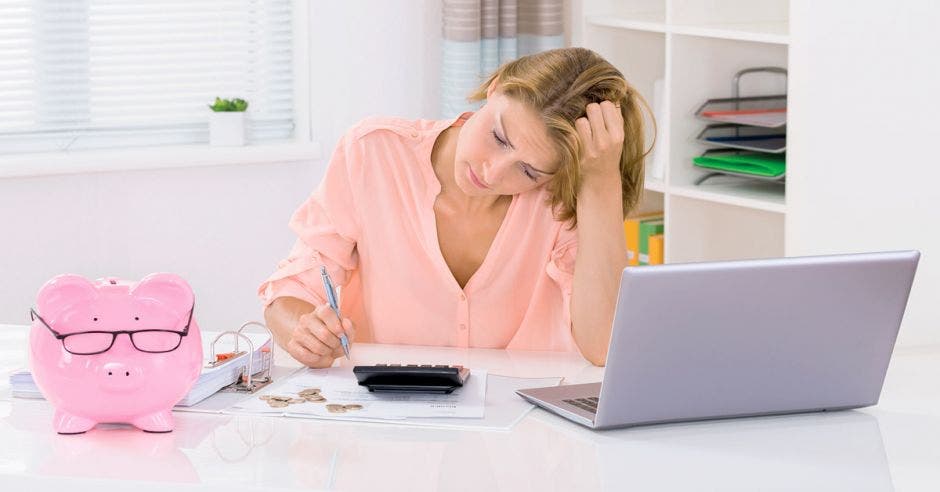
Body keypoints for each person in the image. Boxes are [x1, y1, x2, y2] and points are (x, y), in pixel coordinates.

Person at [258, 47, 653, 368]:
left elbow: (603, 346)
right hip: (392, 432)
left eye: (529, 171)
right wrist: (303, 330)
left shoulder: (564, 198)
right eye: (499, 137)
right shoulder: (373, 153)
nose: (493, 172)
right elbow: (290, 291)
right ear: (495, 86)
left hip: (527, 439)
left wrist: (600, 184)